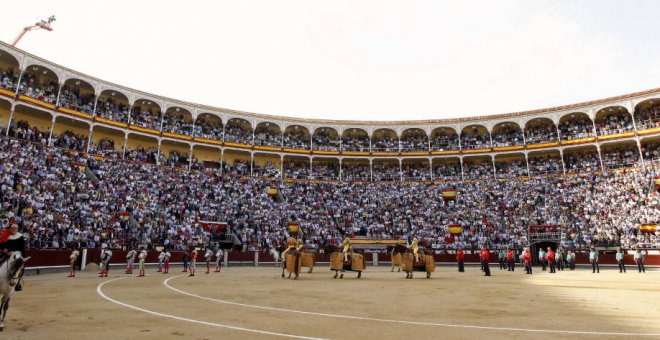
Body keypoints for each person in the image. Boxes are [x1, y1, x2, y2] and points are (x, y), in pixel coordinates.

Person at [0, 224, 27, 290]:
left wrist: (19, 255)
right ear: (10, 228)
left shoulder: (20, 237)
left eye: (15, 228)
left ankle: (18, 283)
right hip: (6, 254)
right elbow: (1, 245)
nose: (14, 229)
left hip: (16, 254)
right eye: (12, 228)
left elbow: (22, 248)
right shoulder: (6, 236)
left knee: (20, 266)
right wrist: (4, 249)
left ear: (17, 229)